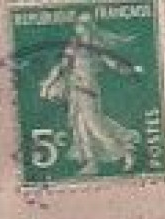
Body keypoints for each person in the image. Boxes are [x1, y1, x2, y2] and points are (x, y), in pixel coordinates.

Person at [40, 12, 142, 176]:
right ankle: (91, 163)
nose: (81, 27)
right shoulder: (74, 43)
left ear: (91, 26)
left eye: (85, 24)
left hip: (88, 90)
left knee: (95, 126)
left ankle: (126, 152)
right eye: (79, 24)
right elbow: (62, 66)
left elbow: (112, 63)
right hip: (74, 90)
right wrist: (47, 84)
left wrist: (131, 70)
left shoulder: (96, 44)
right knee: (80, 128)